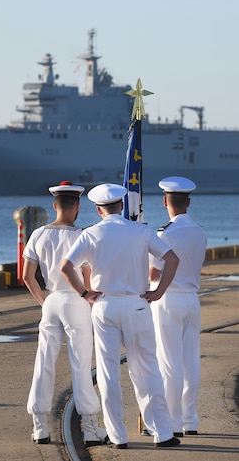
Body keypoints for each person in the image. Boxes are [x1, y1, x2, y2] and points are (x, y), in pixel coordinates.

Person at [61, 183, 181, 449]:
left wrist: (84, 293)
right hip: (137, 304)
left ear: (97, 208)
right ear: (122, 206)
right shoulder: (141, 230)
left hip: (104, 305)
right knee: (147, 369)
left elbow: (66, 266)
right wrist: (159, 291)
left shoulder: (91, 234)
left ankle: (118, 437)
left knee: (107, 373)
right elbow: (172, 260)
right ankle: (162, 433)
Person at [22, 181, 107, 446]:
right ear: (78, 207)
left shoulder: (38, 234)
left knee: (44, 363)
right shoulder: (83, 235)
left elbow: (25, 276)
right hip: (76, 301)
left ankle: (40, 427)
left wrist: (44, 302)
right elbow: (87, 277)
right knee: (81, 366)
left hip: (52, 301)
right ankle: (91, 429)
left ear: (54, 205)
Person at [148, 176, 207, 436]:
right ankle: (189, 420)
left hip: (168, 299)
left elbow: (153, 274)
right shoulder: (200, 231)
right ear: (189, 202)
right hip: (192, 299)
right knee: (190, 360)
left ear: (165, 201)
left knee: (168, 361)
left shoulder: (164, 233)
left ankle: (172, 422)